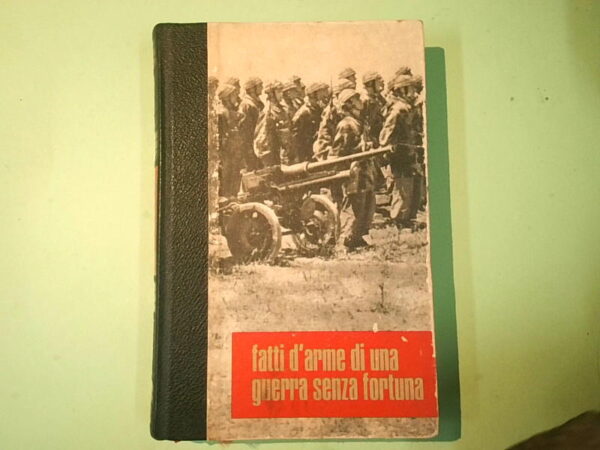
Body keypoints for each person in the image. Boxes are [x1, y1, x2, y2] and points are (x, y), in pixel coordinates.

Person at [330, 89, 376, 249]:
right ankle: (345, 241)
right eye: (356, 99)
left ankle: (357, 237)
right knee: (353, 207)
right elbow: (339, 152)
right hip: (354, 172)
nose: (360, 100)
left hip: (364, 171)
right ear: (349, 104)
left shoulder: (359, 121)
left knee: (367, 205)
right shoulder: (346, 125)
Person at [379, 75, 423, 231]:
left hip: (411, 153)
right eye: (410, 88)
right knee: (403, 189)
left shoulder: (408, 107)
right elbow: (386, 133)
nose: (413, 92)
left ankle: (408, 219)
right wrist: (388, 148)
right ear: (402, 90)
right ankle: (398, 221)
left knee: (413, 187)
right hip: (401, 155)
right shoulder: (398, 109)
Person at [254, 80, 292, 166]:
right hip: (275, 158)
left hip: (288, 155)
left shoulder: (283, 109)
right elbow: (261, 139)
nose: (281, 94)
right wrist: (268, 160)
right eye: (279, 91)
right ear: (271, 94)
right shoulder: (267, 112)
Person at [216, 84, 243, 197]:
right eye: (233, 95)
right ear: (227, 97)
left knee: (235, 176)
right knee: (227, 177)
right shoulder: (222, 113)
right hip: (227, 152)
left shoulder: (233, 112)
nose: (236, 97)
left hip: (234, 151)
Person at [291, 82, 329, 163]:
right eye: (318, 93)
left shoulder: (318, 108)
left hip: (317, 149)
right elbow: (296, 138)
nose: (321, 95)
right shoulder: (303, 113)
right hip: (307, 153)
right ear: (313, 95)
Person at [238, 77, 263, 171]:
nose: (262, 87)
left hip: (258, 145)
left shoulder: (257, 103)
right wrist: (250, 152)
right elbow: (245, 133)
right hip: (251, 148)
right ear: (252, 89)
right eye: (260, 85)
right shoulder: (246, 105)